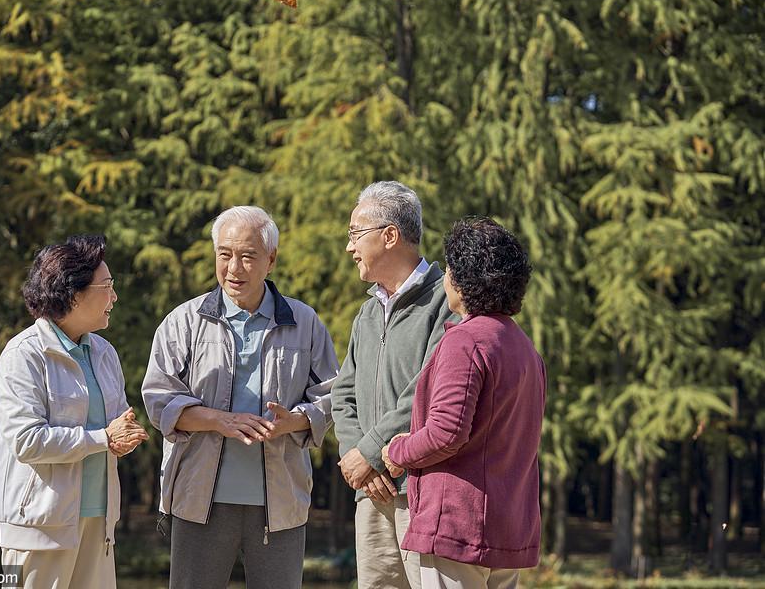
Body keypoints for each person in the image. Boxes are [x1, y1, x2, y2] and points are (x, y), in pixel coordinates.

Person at [141, 206, 338, 589]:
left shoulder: (305, 322)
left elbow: (332, 396)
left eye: (248, 256)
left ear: (271, 260)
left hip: (280, 504)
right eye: (225, 254)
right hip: (199, 502)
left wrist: (294, 422)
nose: (234, 268)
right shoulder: (184, 321)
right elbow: (158, 398)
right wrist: (218, 420)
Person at [381, 217, 546, 589]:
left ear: (461, 279)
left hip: (459, 522)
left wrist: (397, 451)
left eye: (449, 270)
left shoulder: (465, 341)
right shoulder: (525, 349)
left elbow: (446, 432)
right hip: (508, 524)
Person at [0, 235, 149, 589]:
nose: (115, 297)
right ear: (73, 292)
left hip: (100, 520)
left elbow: (116, 423)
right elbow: (26, 441)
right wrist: (103, 438)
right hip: (40, 526)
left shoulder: (104, 352)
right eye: (107, 286)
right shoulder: (24, 355)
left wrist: (124, 439)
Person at [331, 181, 458, 589]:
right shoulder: (367, 313)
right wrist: (359, 461)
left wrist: (369, 453)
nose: (349, 247)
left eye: (355, 234)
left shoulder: (447, 301)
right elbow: (342, 393)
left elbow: (429, 390)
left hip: (422, 491)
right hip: (371, 492)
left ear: (389, 236)